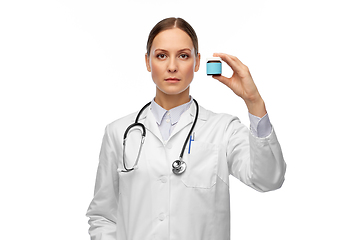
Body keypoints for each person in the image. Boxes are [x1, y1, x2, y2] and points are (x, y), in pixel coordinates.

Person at [86, 17, 286, 240]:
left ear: (197, 62)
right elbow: (103, 215)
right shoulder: (119, 132)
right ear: (147, 62)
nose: (172, 66)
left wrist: (254, 101)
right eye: (161, 55)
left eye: (183, 56)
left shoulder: (223, 129)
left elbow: (269, 179)